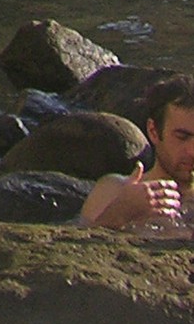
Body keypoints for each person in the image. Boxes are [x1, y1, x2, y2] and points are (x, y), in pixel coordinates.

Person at [81, 73, 194, 231]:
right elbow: (78, 240)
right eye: (182, 137)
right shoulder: (115, 191)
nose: (192, 151)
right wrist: (120, 212)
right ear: (153, 131)